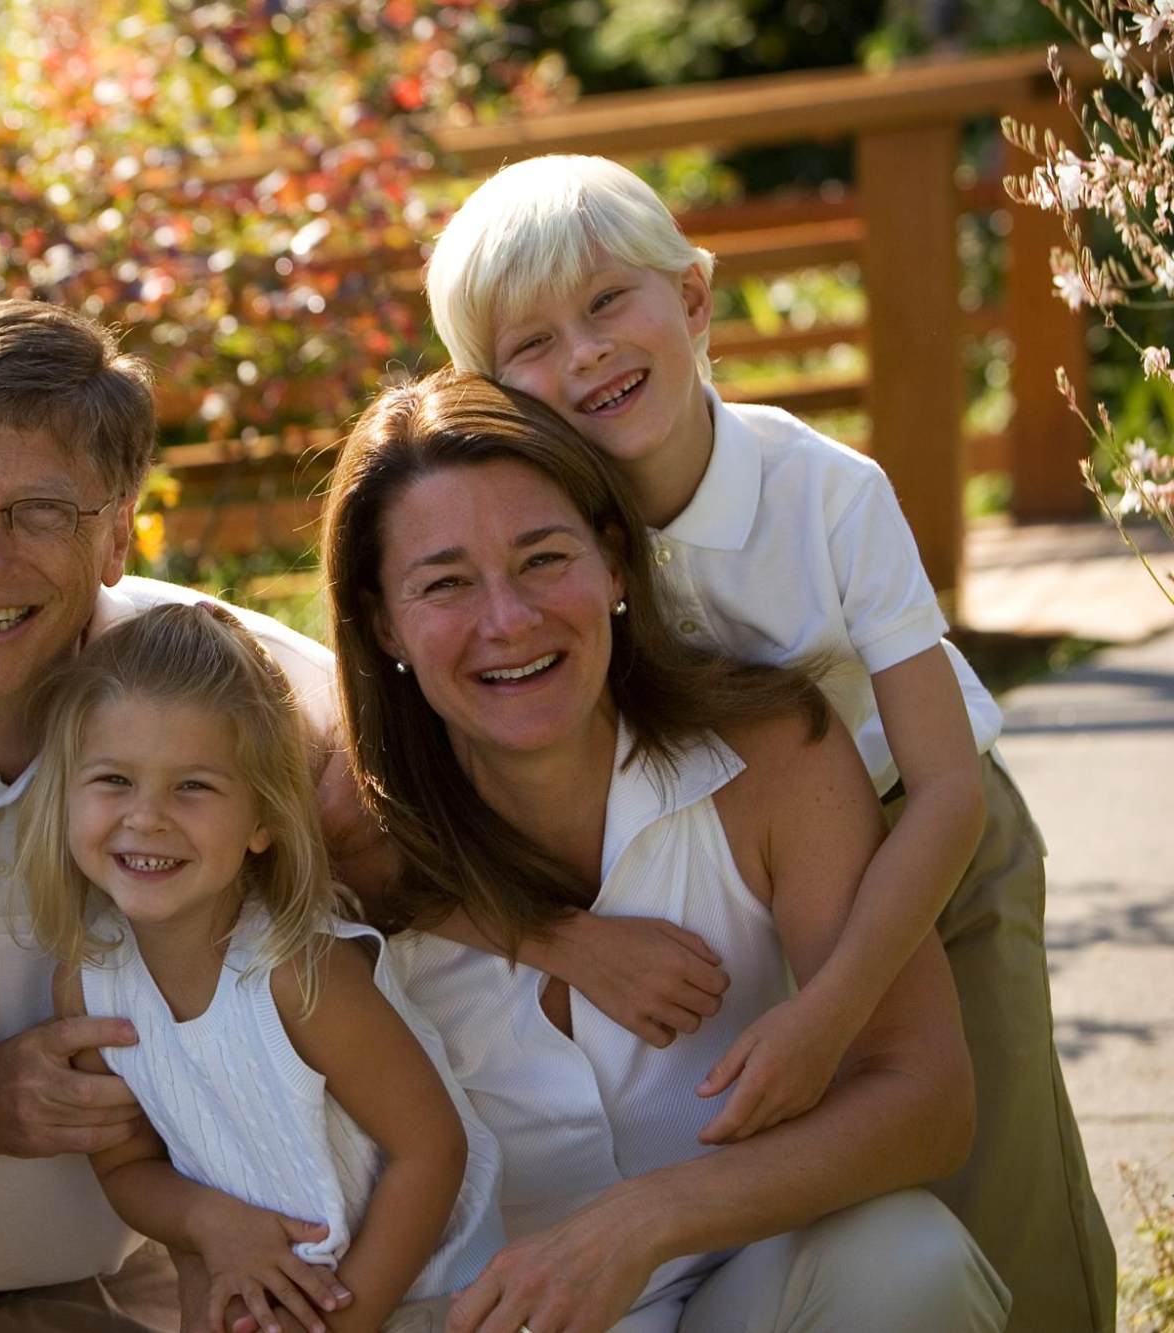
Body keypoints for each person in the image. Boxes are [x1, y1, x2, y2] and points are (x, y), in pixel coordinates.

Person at [423, 153, 1114, 1331]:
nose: (583, 354)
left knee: (994, 1172)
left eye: (606, 301)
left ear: (692, 297)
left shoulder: (823, 494)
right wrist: (567, 938)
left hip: (920, 836)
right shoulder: (547, 543)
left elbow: (947, 790)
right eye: (529, 343)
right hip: (734, 877)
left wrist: (830, 1007)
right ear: (486, 391)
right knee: (831, 1187)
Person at [322, 369, 1008, 1331]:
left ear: (613, 563)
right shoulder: (342, 835)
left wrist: (647, 1220)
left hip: (743, 1285)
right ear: (383, 622)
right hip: (480, 1316)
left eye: (542, 558)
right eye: (446, 583)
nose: (508, 620)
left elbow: (925, 1100)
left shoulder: (770, 758)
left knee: (908, 1262)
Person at [0, 299, 343, 1332]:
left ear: (115, 532)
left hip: (156, 1289)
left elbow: (423, 827)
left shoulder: (230, 689)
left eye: (43, 511)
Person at [21, 601, 508, 1333]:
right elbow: (125, 1168)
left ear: (262, 820)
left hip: (435, 1298)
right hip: (273, 1298)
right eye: (114, 779)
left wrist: (344, 1322)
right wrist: (210, 1221)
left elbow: (432, 1152)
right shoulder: (89, 982)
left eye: (193, 786)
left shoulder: (298, 974)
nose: (146, 817)